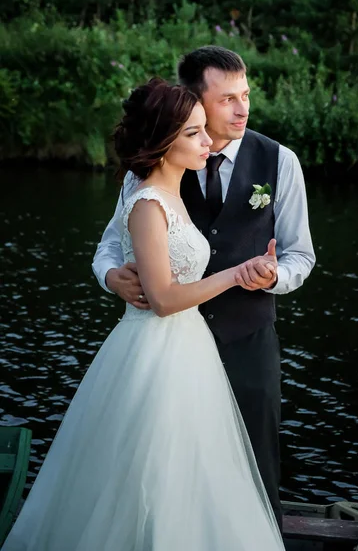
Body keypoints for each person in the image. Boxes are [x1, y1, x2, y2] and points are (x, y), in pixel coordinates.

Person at [2, 79, 284, 551]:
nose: (209, 142)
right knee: (148, 470)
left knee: (192, 470)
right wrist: (236, 273)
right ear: (165, 139)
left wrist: (263, 269)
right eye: (195, 134)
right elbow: (164, 298)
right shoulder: (148, 202)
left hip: (187, 349)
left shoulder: (171, 194)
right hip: (155, 351)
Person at [92, 46, 316, 528]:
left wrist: (276, 276)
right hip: (164, 352)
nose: (243, 110)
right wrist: (112, 277)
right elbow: (109, 246)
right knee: (161, 469)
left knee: (256, 469)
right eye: (227, 99)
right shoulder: (148, 172)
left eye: (246, 95)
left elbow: (301, 255)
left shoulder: (280, 162)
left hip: (247, 341)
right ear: (194, 101)